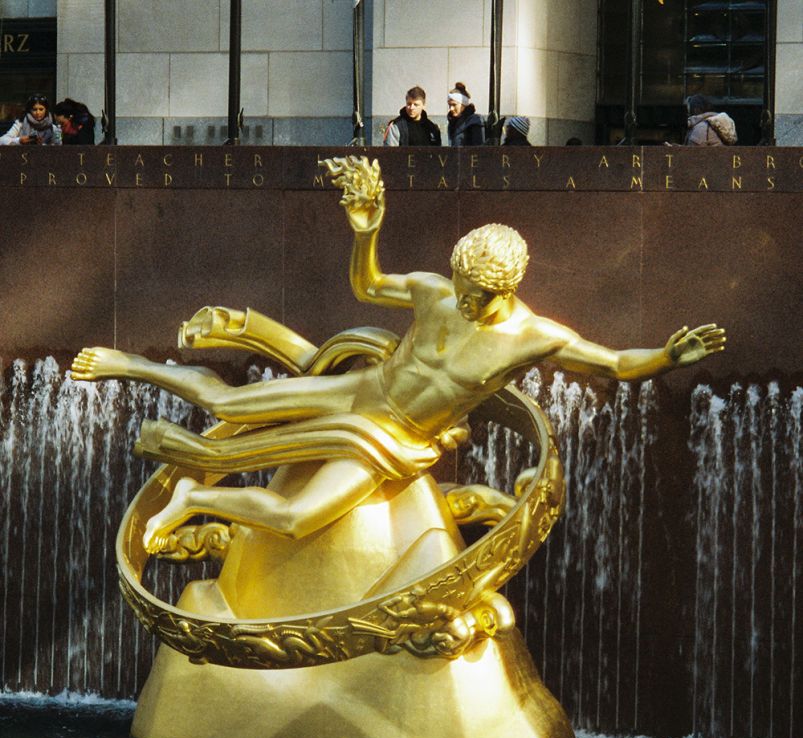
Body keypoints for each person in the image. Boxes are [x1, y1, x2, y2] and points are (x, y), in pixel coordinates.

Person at [70, 155, 726, 555]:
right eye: (460, 286)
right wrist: (367, 232)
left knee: (295, 519)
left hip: (393, 440)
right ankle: (135, 366)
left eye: (475, 296)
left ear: (506, 289)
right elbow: (369, 286)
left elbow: (613, 364)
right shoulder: (437, 293)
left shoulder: (534, 337)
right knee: (229, 403)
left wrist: (666, 357)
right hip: (362, 391)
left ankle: (193, 499)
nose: (461, 300)